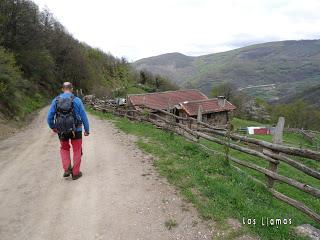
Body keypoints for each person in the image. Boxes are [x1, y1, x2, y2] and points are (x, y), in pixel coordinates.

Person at [47, 82, 90, 180]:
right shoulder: (77, 100)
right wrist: (87, 130)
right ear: (72, 89)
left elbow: (49, 117)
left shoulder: (56, 100)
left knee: (64, 148)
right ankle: (75, 173)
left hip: (61, 130)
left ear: (62, 89)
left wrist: (53, 126)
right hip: (76, 130)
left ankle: (67, 169)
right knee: (77, 149)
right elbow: (84, 116)